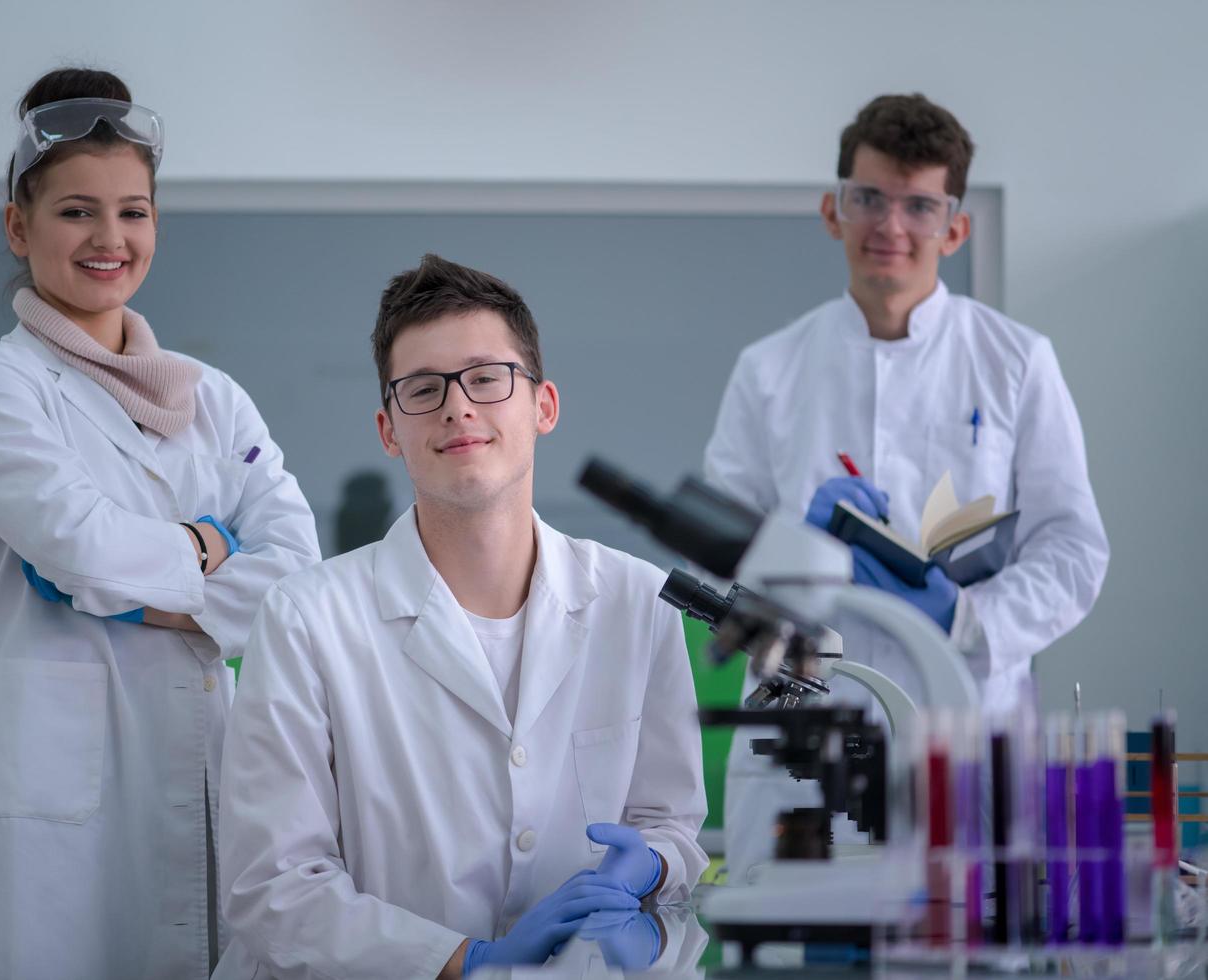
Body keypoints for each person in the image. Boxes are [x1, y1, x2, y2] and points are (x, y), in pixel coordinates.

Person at [216, 254, 707, 978]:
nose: (457, 407)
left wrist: (655, 865)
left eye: (486, 378)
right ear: (388, 430)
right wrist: (463, 962)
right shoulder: (307, 619)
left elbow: (672, 828)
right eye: (423, 389)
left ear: (543, 406)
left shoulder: (638, 602)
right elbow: (272, 887)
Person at [0, 68, 320, 979]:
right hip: (47, 806)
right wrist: (207, 545)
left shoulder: (212, 398)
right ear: (17, 227)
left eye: (134, 211)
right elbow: (83, 549)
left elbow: (298, 577)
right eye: (76, 212)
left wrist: (144, 587)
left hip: (207, 783)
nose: (110, 239)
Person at [703, 93, 1109, 883]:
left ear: (954, 227)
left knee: (965, 938)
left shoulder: (1017, 363)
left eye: (920, 205)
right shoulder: (770, 369)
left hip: (965, 729)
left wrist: (966, 617)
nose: (891, 226)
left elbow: (1073, 550)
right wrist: (795, 570)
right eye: (869, 199)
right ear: (833, 210)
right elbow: (726, 556)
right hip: (808, 721)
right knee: (794, 945)